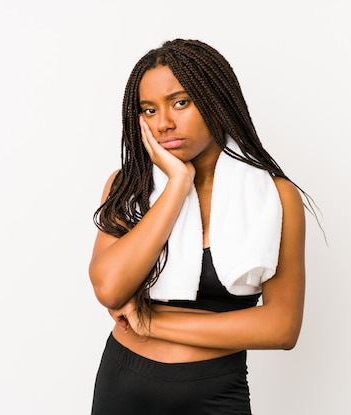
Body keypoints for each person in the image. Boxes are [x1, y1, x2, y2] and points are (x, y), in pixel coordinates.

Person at [89, 38, 309, 415]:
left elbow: (281, 327)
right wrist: (176, 185)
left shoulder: (275, 196)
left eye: (180, 102)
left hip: (214, 393)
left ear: (215, 101)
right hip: (123, 384)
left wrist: (150, 323)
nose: (164, 123)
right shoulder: (129, 186)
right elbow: (109, 288)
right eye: (148, 109)